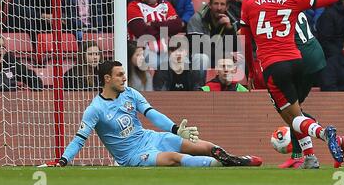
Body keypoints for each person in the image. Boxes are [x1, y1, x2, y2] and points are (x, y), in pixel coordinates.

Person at [240, 0, 344, 167]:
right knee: (294, 113)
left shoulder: (249, 4)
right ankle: (310, 158)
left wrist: (250, 72)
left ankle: (327, 134)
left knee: (291, 116)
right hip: (297, 62)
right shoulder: (293, 0)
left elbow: (243, 40)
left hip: (273, 66)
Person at [52, 60, 262, 167]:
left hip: (149, 137)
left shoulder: (130, 93)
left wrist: (175, 129)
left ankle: (231, 158)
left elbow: (151, 114)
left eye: (124, 74)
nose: (124, 78)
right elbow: (79, 140)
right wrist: (63, 160)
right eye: (120, 75)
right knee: (175, 158)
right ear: (107, 79)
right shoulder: (95, 109)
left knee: (201, 146)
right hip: (133, 155)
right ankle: (222, 164)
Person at [127, 0, 184, 69]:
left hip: (168, 49)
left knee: (184, 63)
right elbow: (142, 33)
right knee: (160, 66)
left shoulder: (166, 5)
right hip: (144, 50)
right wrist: (166, 27)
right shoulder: (134, 6)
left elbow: (177, 25)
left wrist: (153, 24)